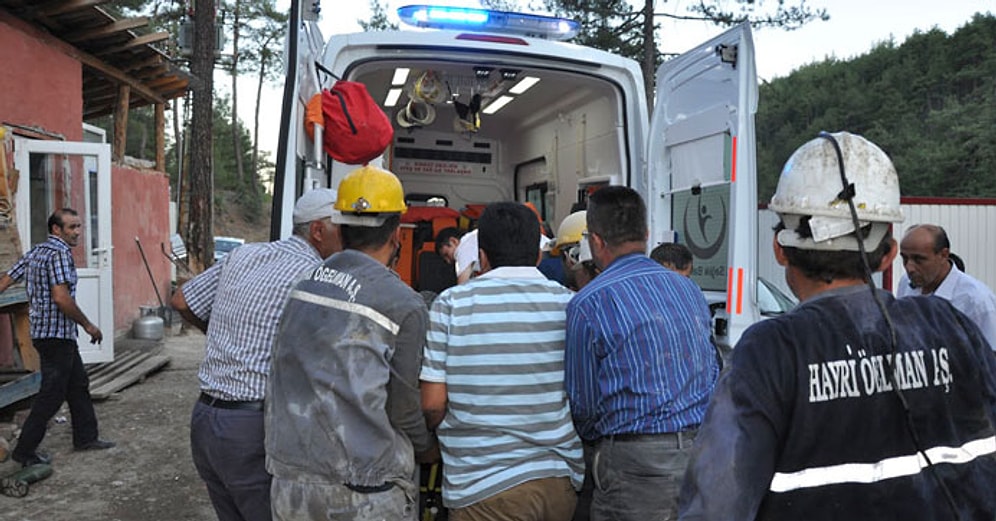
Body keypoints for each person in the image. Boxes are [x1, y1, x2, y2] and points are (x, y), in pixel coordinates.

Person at [679, 132, 996, 520]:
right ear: (889, 254)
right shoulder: (952, 325)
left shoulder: (772, 351)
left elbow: (716, 506)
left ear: (780, 249)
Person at [265, 166, 437, 520]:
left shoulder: (303, 285)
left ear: (340, 228)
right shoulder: (403, 303)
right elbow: (404, 408)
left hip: (289, 483)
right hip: (362, 492)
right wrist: (428, 449)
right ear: (396, 234)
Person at [170, 188, 342, 521]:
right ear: (319, 231)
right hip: (251, 429)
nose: (349, 240)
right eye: (343, 230)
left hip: (206, 419)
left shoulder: (246, 255)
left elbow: (182, 300)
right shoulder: (315, 276)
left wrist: (220, 336)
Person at [421, 202, 584, 520]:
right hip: (558, 483)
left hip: (481, 487)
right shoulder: (569, 303)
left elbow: (432, 405)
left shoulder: (452, 304)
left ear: (482, 256)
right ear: (538, 255)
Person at [565, 186, 718, 521]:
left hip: (633, 464)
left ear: (597, 242)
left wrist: (606, 448)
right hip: (701, 455)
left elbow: (584, 406)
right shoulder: (689, 290)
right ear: (646, 235)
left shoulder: (588, 303)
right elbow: (711, 370)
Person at [0, 208, 113, 467]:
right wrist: (88, 325)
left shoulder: (37, 252)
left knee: (78, 385)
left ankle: (86, 437)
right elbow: (61, 297)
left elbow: (7, 279)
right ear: (56, 230)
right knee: (51, 395)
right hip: (56, 336)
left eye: (78, 226)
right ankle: (24, 451)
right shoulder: (60, 253)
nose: (77, 232)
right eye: (71, 227)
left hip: (43, 333)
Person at [897, 223, 996, 349]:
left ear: (944, 255)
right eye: (904, 258)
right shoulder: (906, 283)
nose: (909, 267)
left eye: (919, 259)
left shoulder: (977, 302)